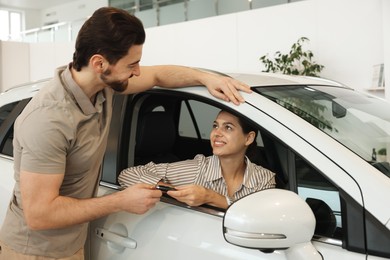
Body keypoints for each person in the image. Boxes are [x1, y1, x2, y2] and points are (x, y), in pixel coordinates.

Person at [0, 7, 251, 260]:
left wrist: (206, 78)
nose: (138, 71)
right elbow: (39, 214)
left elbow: (158, 75)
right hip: (34, 253)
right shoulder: (48, 119)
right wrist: (120, 201)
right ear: (99, 63)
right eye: (132, 64)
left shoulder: (104, 86)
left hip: (72, 244)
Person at [118, 110, 276, 209]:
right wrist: (171, 191)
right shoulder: (198, 168)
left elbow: (265, 222)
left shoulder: (264, 180)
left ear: (248, 138)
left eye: (228, 127)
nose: (216, 133)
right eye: (215, 126)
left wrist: (211, 197)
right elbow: (128, 174)